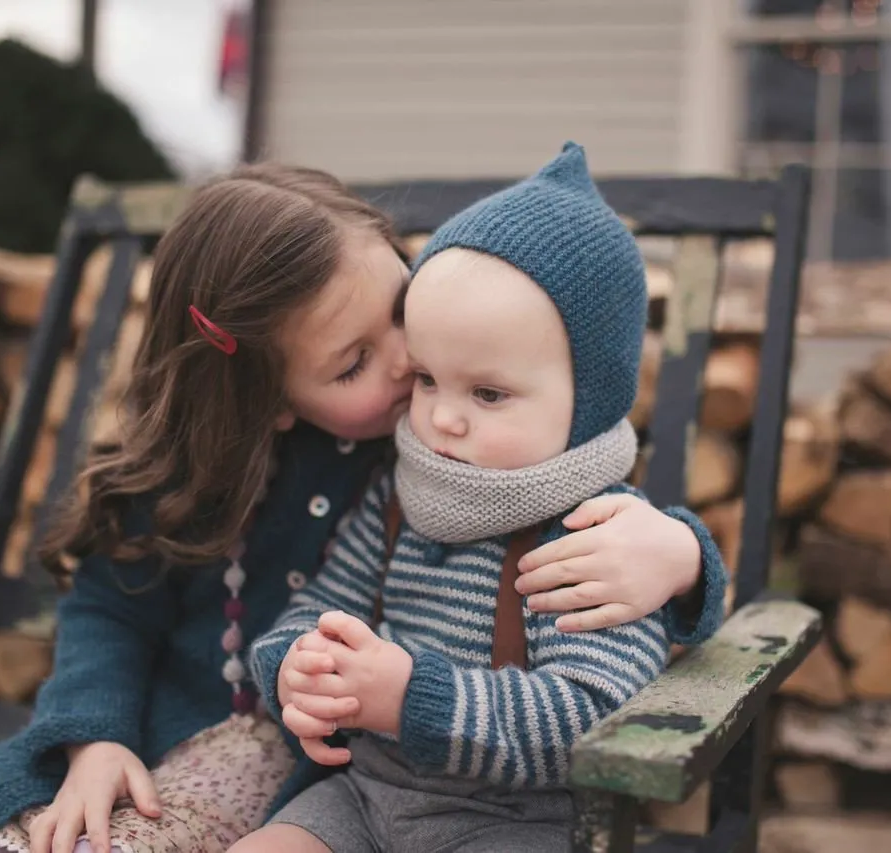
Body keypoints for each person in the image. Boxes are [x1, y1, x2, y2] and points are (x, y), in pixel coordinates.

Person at [0, 158, 718, 853]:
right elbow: (120, 608)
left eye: (401, 310)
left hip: (351, 777)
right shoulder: (236, 471)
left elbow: (600, 509)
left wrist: (683, 558)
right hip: (162, 734)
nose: (412, 367)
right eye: (356, 360)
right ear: (271, 400)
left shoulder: (450, 445)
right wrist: (96, 731)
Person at [232, 142, 726, 853]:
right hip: (365, 795)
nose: (443, 417)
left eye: (487, 393)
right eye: (428, 378)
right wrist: (295, 663)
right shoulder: (398, 496)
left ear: (587, 399)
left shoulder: (598, 538)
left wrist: (411, 699)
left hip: (512, 821)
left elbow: (588, 721)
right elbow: (319, 604)